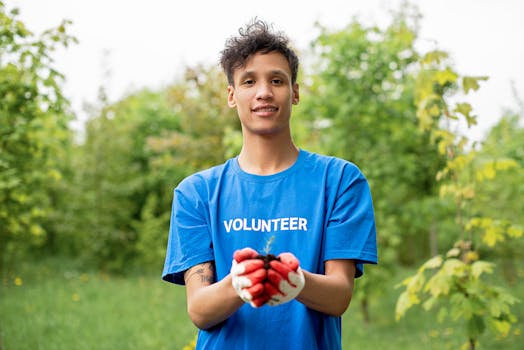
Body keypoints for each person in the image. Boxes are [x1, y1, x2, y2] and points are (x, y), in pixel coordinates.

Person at [162, 19, 378, 350]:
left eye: (277, 80)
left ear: (295, 92)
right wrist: (240, 282)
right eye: (249, 81)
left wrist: (296, 281)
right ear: (232, 96)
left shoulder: (339, 180)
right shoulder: (196, 193)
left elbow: (339, 296)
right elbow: (200, 310)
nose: (264, 92)